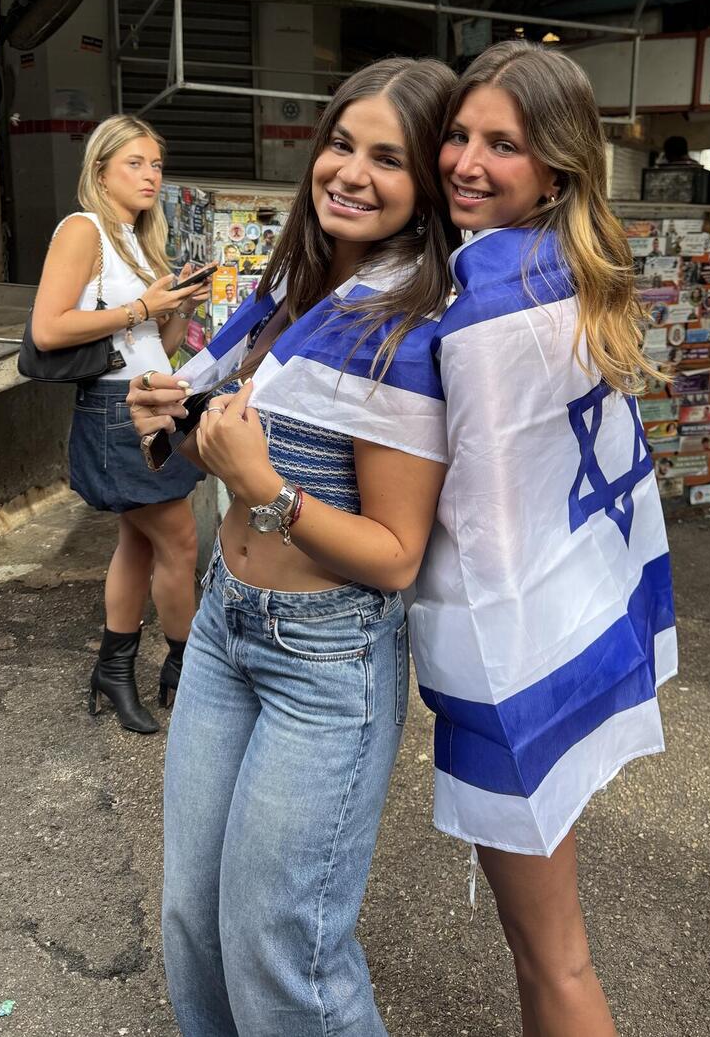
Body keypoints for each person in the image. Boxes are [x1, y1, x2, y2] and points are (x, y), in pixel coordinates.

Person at [126, 59, 458, 1036]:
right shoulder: (292, 287)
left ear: (428, 185)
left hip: (327, 660)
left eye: (387, 158)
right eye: (342, 145)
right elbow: (199, 427)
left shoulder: (407, 324)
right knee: (192, 914)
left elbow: (395, 554)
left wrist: (263, 488)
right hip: (227, 627)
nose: (350, 173)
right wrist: (175, 418)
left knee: (280, 946)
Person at [410, 41, 677, 1037]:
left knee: (554, 958)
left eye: (502, 146)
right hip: (584, 621)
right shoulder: (572, 264)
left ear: (555, 165)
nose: (464, 163)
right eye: (459, 136)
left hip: (508, 657)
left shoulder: (473, 295)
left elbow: (448, 491)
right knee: (545, 949)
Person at [30, 116, 210, 735]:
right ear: (100, 170)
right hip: (116, 410)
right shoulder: (83, 230)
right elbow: (48, 328)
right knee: (181, 542)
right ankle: (185, 670)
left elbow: (150, 342)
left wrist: (173, 308)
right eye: (135, 163)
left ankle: (115, 670)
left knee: (138, 543)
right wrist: (141, 305)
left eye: (157, 164)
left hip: (150, 400)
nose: (151, 175)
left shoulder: (136, 240)